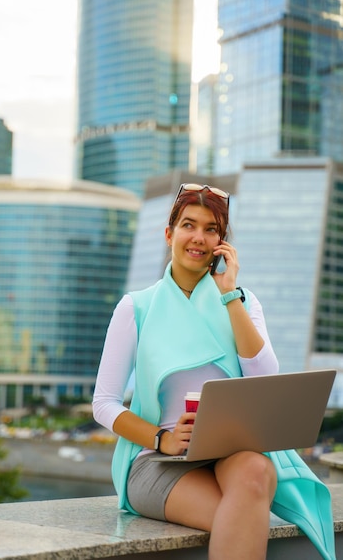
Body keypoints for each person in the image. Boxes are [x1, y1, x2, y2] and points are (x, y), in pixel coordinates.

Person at [93, 183, 335, 560]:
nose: (199, 238)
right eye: (189, 225)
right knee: (243, 517)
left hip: (232, 455)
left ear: (222, 243)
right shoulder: (135, 308)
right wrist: (162, 438)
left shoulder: (243, 301)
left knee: (256, 472)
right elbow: (104, 403)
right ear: (169, 233)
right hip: (159, 462)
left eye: (211, 229)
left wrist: (229, 297)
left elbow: (264, 376)